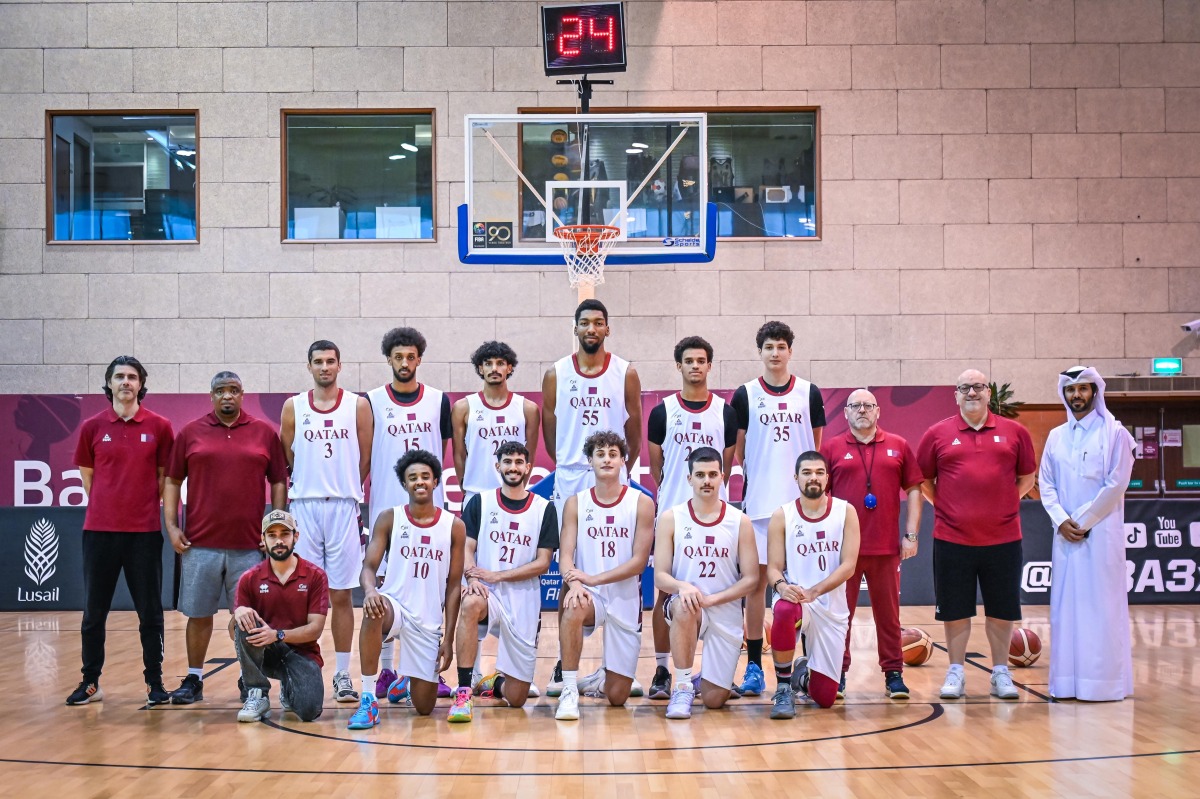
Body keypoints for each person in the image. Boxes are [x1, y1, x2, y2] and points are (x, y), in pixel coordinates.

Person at [163, 371, 289, 705]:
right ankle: (194, 678)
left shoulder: (264, 433)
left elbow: (278, 480)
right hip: (199, 545)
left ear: (243, 395)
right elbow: (172, 481)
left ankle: (250, 682)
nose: (227, 396)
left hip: (249, 547)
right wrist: (172, 527)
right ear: (211, 396)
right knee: (199, 615)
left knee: (248, 618)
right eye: (221, 391)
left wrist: (272, 527)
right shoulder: (190, 433)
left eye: (233, 390)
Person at [541, 299, 643, 694]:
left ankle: (614, 665)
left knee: (618, 561)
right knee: (572, 570)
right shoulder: (557, 373)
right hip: (571, 475)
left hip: (613, 472)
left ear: (607, 329)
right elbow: (550, 428)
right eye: (584, 322)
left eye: (599, 322)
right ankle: (564, 669)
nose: (591, 329)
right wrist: (568, 462)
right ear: (575, 327)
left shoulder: (625, 372)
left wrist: (621, 464)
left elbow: (633, 425)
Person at [917, 370, 1036, 701]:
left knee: (1001, 608)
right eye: (965, 388)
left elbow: (1027, 476)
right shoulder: (937, 434)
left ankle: (1000, 673)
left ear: (989, 393)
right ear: (956, 395)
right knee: (955, 610)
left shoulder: (1015, 432)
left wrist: (1004, 502)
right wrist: (947, 507)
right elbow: (924, 480)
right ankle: (956, 671)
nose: (972, 392)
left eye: (979, 387)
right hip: (952, 538)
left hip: (1004, 538)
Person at [67, 356, 174, 706]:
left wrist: (137, 507)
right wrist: (109, 506)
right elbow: (88, 477)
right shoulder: (92, 427)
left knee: (150, 612)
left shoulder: (160, 426)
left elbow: (163, 478)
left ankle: (154, 682)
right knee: (94, 611)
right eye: (119, 377)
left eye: (132, 377)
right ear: (109, 383)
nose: (125, 382)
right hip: (99, 533)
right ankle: (90, 681)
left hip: (143, 534)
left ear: (141, 384)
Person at [731, 321, 825, 696]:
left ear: (790, 351)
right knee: (755, 587)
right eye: (769, 347)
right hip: (759, 506)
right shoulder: (745, 395)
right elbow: (738, 449)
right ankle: (754, 666)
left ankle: (807, 665)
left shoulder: (809, 392)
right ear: (760, 351)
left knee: (803, 588)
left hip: (800, 508)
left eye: (781, 346)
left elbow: (815, 447)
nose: (775, 353)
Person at [280, 340, 372, 704]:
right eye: (318, 361)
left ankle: (343, 674)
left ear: (340, 365)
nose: (324, 367)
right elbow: (290, 455)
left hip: (343, 506)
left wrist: (344, 485)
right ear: (309, 367)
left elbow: (364, 458)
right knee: (300, 595)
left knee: (342, 593)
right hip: (304, 506)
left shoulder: (357, 405)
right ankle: (298, 673)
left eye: (330, 361)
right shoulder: (294, 407)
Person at [645, 335, 736, 699]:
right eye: (689, 360)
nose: (695, 366)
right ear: (678, 365)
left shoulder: (725, 411)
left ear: (710, 365)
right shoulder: (662, 411)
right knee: (664, 591)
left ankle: (713, 670)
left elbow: (725, 466)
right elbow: (658, 468)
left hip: (715, 517)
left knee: (717, 594)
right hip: (674, 514)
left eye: (701, 360)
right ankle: (663, 669)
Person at [366, 327, 453, 699]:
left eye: (411, 356)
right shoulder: (370, 401)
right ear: (389, 359)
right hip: (387, 507)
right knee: (385, 587)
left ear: (420, 358)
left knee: (431, 585)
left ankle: (427, 666)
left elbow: (443, 451)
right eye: (398, 356)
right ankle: (385, 671)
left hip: (428, 508)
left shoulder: (438, 400)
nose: (405, 362)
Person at [349, 450, 465, 728]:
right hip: (395, 606)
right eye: (412, 478)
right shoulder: (390, 518)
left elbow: (453, 586)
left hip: (427, 620)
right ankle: (368, 699)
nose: (419, 482)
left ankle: (407, 680)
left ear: (436, 481)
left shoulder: (454, 526)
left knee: (424, 709)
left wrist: (447, 639)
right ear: (404, 484)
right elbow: (368, 567)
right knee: (374, 610)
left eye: (425, 476)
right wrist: (370, 592)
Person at [1039, 366, 1135, 702]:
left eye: (1083, 389)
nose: (1076, 395)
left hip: (1101, 536)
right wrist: (1061, 520)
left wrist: (1084, 520)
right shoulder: (1055, 437)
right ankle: (1066, 684)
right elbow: (1046, 485)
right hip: (1064, 537)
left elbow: (1117, 483)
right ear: (1063, 394)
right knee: (1066, 610)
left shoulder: (1115, 434)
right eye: (1070, 390)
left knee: (1101, 609)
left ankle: (1104, 685)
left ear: (1095, 392)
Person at [821, 388, 922, 700]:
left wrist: (911, 534)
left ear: (878, 411)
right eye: (855, 406)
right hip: (843, 552)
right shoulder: (832, 447)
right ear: (847, 413)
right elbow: (819, 497)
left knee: (889, 616)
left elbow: (915, 490)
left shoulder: (899, 446)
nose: (861, 410)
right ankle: (836, 673)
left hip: (885, 548)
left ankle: (894, 675)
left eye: (867, 405)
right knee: (840, 616)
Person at [449, 441, 557, 722]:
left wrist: (498, 574)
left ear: (528, 468)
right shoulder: (480, 502)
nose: (513, 467)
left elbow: (543, 563)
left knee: (517, 698)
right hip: (488, 594)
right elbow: (466, 548)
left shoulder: (544, 509)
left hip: (524, 598)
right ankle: (463, 691)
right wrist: (472, 575)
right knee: (471, 602)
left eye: (519, 462)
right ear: (497, 466)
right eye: (507, 462)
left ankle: (494, 683)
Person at [554, 432, 655, 721]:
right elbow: (566, 555)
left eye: (613, 454)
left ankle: (600, 678)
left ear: (623, 460)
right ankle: (569, 689)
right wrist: (575, 582)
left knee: (617, 697)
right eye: (600, 454)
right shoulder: (576, 503)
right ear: (590, 461)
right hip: (590, 595)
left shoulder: (641, 502)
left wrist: (594, 578)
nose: (607, 459)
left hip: (624, 598)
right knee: (572, 604)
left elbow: (638, 563)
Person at [654, 447, 759, 720]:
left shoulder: (740, 521)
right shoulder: (671, 518)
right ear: (689, 479)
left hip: (724, 608)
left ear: (723, 477)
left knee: (714, 700)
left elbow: (751, 579)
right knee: (685, 607)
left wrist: (713, 599)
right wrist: (682, 587)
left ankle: (706, 681)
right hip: (686, 605)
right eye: (700, 475)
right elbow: (660, 576)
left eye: (713, 474)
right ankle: (683, 685)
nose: (707, 481)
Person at [765, 452, 861, 718]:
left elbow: (849, 566)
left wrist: (815, 591)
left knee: (826, 698)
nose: (813, 478)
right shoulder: (782, 515)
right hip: (797, 600)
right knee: (784, 609)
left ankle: (801, 677)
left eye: (819, 472)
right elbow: (773, 568)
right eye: (806, 472)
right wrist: (782, 586)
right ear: (796, 477)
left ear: (827, 478)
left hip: (831, 608)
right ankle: (783, 687)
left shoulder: (846, 511)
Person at [230, 510, 329, 723]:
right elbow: (235, 632)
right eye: (272, 535)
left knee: (309, 710)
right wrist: (237, 613)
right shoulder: (249, 578)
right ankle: (256, 691)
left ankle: (289, 684)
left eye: (285, 533)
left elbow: (315, 629)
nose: (279, 540)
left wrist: (278, 635)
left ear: (296, 536)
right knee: (244, 618)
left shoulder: (315, 576)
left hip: (301, 652)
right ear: (263, 540)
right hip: (264, 652)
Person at [452, 340, 540, 509]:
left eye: (500, 363)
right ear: (480, 368)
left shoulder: (527, 409)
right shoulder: (463, 408)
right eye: (488, 363)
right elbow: (459, 454)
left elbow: (530, 455)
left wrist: (517, 488)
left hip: (512, 495)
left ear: (509, 368)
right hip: (475, 494)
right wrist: (466, 488)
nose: (494, 369)